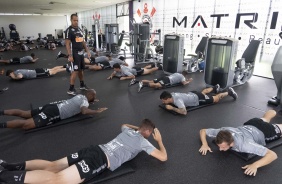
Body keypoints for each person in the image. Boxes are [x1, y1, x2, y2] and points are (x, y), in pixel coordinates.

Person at [0, 119, 167, 183]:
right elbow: (163, 157)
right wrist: (159, 141)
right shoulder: (144, 143)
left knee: (53, 165)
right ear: (148, 133)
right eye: (151, 134)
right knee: (58, 180)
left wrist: (137, 128)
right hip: (100, 159)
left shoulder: (127, 130)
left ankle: (10, 166)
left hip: (94, 149)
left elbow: (123, 123)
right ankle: (5, 176)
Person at [199, 110, 280, 176]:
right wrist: (204, 144)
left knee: (271, 123)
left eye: (223, 147)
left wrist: (255, 165)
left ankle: (274, 113)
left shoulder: (245, 145)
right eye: (219, 146)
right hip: (251, 123)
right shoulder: (222, 132)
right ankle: (273, 110)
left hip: (264, 131)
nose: (220, 149)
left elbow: (272, 155)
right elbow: (203, 130)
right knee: (265, 119)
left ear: (231, 143)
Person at [0, 90, 107, 130]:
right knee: (26, 124)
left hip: (51, 106)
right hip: (54, 113)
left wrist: (91, 101)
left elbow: (85, 101)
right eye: (94, 96)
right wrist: (97, 111)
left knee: (24, 113)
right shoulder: (85, 103)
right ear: (91, 96)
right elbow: (84, 111)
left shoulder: (79, 96)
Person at [159, 85, 238, 115]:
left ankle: (229, 92)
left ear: (169, 98)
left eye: (164, 100)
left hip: (198, 99)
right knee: (203, 92)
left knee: (215, 99)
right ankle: (214, 88)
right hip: (192, 93)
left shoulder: (177, 101)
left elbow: (184, 112)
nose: (163, 102)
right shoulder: (172, 94)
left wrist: (172, 108)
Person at [65, 13, 91, 95]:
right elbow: (67, 44)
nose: (76, 22)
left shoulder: (79, 29)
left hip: (81, 53)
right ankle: (71, 89)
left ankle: (82, 85)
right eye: (74, 20)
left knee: (81, 70)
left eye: (77, 20)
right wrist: (70, 55)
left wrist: (87, 51)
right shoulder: (69, 30)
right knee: (75, 71)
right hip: (74, 53)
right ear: (71, 20)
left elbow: (83, 41)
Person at [5, 65, 70, 80]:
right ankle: (64, 66)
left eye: (10, 76)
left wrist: (14, 78)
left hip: (37, 73)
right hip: (37, 70)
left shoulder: (16, 73)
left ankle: (66, 68)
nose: (10, 77)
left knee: (53, 72)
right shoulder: (17, 70)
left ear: (11, 73)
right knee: (52, 69)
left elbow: (20, 76)